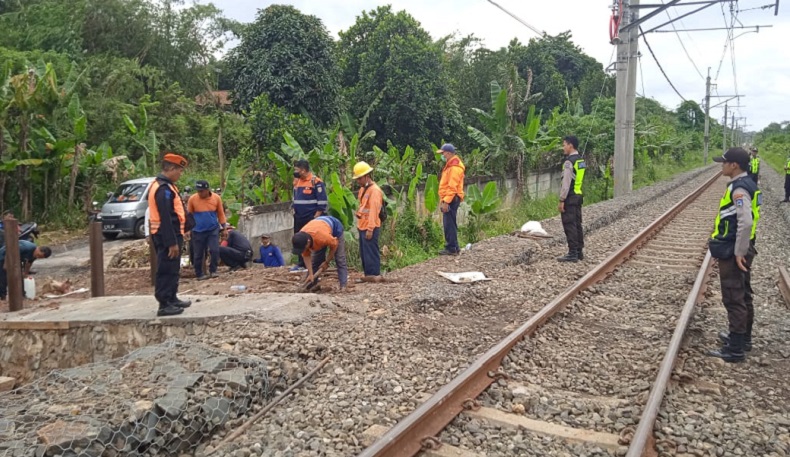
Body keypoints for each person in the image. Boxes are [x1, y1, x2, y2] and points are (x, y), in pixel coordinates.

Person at [708, 147, 761, 363]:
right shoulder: (748, 183)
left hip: (734, 250)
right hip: (743, 247)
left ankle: (736, 349)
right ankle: (743, 339)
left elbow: (746, 221)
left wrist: (739, 252)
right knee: (743, 293)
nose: (722, 165)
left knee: (733, 296)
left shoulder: (739, 189)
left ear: (734, 165)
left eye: (724, 162)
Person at [148, 153, 191, 316]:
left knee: (173, 267)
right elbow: (165, 217)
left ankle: (172, 297)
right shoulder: (162, 189)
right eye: (179, 171)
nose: (180, 174)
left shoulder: (167, 186)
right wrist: (171, 242)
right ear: (171, 168)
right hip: (166, 234)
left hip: (173, 233)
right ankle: (164, 303)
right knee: (166, 268)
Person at [291, 215, 348, 290]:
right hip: (319, 227)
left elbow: (334, 245)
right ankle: (312, 284)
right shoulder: (301, 238)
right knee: (316, 260)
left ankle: (343, 285)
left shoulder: (322, 238)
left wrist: (327, 262)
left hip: (335, 228)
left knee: (340, 259)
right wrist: (311, 274)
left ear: (308, 242)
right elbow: (306, 256)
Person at [291, 160, 327, 272]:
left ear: (303, 170)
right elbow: (295, 197)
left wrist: (316, 217)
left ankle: (318, 264)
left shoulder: (316, 182)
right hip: (299, 217)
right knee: (299, 241)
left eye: (297, 170)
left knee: (316, 241)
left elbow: (322, 202)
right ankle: (302, 264)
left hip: (311, 218)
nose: (295, 172)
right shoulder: (297, 182)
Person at [187, 180, 226, 280]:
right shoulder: (192, 199)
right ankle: (199, 274)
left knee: (214, 250)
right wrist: (187, 230)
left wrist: (224, 227)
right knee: (198, 253)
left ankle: (213, 270)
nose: (200, 193)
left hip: (212, 229)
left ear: (207, 190)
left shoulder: (216, 198)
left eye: (202, 191)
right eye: (198, 191)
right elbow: (189, 215)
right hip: (197, 230)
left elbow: (221, 213)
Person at [557, 135, 586, 262]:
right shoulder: (581, 161)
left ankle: (572, 253)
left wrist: (562, 199)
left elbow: (566, 183)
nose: (563, 147)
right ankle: (579, 251)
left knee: (570, 225)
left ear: (570, 145)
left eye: (564, 145)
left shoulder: (569, 162)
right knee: (577, 224)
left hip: (570, 197)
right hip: (578, 195)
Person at [353, 161, 383, 281]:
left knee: (371, 253)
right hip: (362, 226)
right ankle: (368, 275)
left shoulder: (374, 191)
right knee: (365, 253)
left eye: (359, 178)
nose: (358, 181)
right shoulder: (363, 189)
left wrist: (370, 229)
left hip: (370, 227)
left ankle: (374, 275)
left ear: (367, 176)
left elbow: (374, 212)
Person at [437, 144, 466, 256]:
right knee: (451, 223)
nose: (442, 155)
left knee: (449, 223)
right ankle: (454, 246)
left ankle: (451, 247)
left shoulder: (454, 168)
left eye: (443, 153)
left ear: (448, 153)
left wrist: (446, 201)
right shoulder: (452, 166)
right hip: (452, 197)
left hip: (451, 198)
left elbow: (452, 187)